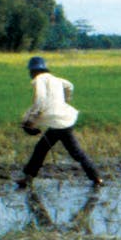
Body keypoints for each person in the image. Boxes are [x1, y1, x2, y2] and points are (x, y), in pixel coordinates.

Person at [16, 55, 103, 189]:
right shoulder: (56, 79)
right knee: (43, 148)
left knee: (74, 152)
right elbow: (70, 86)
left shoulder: (38, 80)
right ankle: (28, 178)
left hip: (58, 122)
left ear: (33, 71)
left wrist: (30, 120)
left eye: (30, 71)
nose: (30, 74)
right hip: (64, 119)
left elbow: (39, 101)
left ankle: (96, 177)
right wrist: (65, 102)